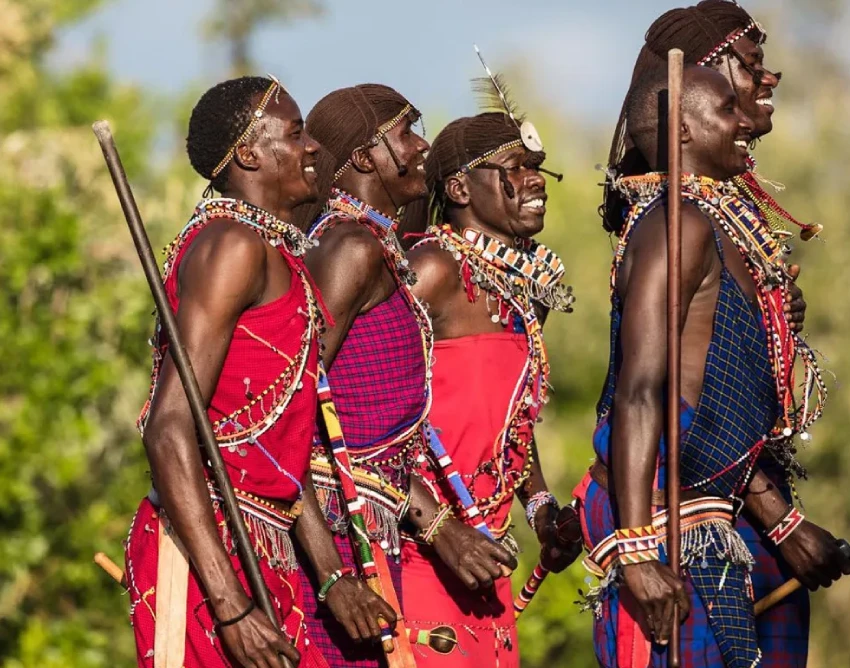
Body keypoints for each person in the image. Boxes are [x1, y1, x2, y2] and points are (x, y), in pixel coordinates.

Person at [574, 65, 850, 668]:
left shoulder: (710, 223)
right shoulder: (678, 225)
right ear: (682, 132)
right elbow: (640, 391)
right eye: (728, 111)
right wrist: (640, 551)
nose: (746, 122)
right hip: (663, 509)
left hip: (709, 503)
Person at [125, 76, 390, 668]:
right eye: (295, 133)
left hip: (261, 549)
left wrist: (330, 578)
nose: (314, 147)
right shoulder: (231, 247)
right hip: (208, 558)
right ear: (248, 152)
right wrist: (230, 606)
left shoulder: (278, 256)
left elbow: (279, 451)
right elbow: (167, 428)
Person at [291, 84, 517, 666]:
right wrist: (334, 576)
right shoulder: (349, 249)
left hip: (369, 528)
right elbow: (293, 407)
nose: (422, 146)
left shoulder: (376, 247)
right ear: (365, 157)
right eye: (407, 132)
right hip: (339, 535)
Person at [399, 108, 582, 665]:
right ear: (458, 187)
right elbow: (359, 423)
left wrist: (542, 509)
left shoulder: (526, 289)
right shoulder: (430, 272)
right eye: (513, 166)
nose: (534, 181)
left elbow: (510, 426)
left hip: (487, 556)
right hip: (418, 552)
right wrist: (439, 528)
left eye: (537, 168)